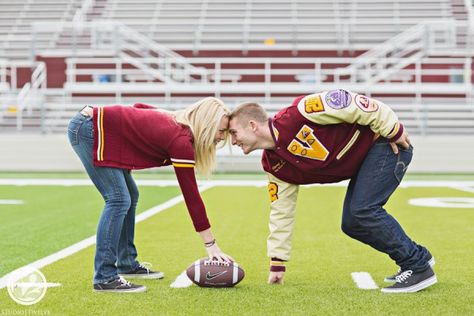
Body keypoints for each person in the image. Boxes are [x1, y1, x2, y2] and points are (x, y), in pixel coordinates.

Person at [228, 89, 436, 293]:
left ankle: (417, 267)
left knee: (362, 211)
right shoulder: (273, 165)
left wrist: (393, 130)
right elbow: (281, 211)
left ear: (252, 125)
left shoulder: (300, 112)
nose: (233, 141)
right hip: (366, 160)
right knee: (351, 223)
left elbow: (357, 103)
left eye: (234, 133)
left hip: (386, 144)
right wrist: (277, 261)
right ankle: (419, 256)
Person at [67, 97, 234, 293]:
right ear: (206, 124)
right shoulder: (181, 141)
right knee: (119, 199)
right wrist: (211, 246)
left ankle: (127, 263)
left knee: (130, 194)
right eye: (221, 131)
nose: (222, 137)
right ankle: (104, 276)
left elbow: (140, 107)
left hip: (96, 125)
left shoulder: (176, 122)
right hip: (89, 128)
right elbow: (191, 196)